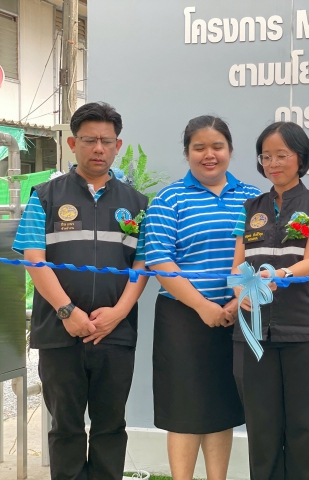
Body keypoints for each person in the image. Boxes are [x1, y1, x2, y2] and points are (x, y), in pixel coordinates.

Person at [12, 102, 149, 480]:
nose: (98, 148)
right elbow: (34, 260)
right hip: (59, 333)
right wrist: (66, 311)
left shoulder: (137, 204)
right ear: (73, 144)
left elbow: (142, 266)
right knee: (66, 427)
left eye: (107, 141)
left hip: (114, 334)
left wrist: (118, 313)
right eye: (89, 140)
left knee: (111, 426)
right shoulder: (44, 196)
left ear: (118, 146)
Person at [144, 116, 260, 480]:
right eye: (199, 148)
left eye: (217, 147)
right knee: (184, 409)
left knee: (221, 408)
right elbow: (159, 259)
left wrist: (234, 303)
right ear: (187, 153)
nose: (209, 155)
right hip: (182, 316)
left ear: (230, 150)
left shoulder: (252, 198)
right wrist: (202, 305)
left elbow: (258, 255)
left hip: (236, 313)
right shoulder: (170, 199)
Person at [230, 121, 309, 480]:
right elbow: (238, 265)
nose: (273, 163)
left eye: (282, 155)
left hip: (306, 332)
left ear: (300, 158)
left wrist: (282, 274)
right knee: (261, 430)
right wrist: (241, 290)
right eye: (266, 157)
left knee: (303, 428)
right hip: (254, 334)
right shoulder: (250, 208)